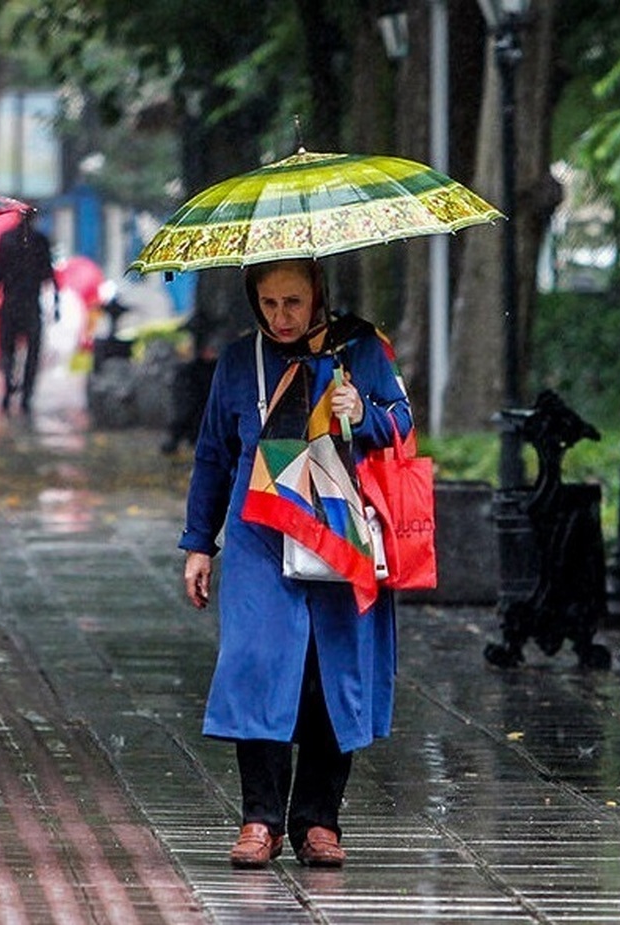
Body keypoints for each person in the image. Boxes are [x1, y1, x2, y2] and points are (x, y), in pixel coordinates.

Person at [179, 258, 411, 869]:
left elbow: (402, 421)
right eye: (269, 303)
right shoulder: (238, 361)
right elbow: (212, 455)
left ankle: (319, 821)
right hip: (258, 534)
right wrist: (199, 543)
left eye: (294, 302)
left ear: (318, 296)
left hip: (341, 531)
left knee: (330, 671)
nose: (282, 317)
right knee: (258, 664)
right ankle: (259, 819)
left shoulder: (361, 348)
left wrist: (363, 414)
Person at [0, 211, 58, 415]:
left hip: (10, 303)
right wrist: (56, 300)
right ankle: (26, 396)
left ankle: (10, 387)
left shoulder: (6, 239)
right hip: (31, 304)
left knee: (7, 349)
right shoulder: (41, 240)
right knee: (32, 351)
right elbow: (49, 274)